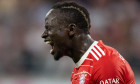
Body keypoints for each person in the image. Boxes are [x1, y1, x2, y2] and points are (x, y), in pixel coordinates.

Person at [41, 1, 135, 84]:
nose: (44, 35)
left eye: (51, 29)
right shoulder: (79, 69)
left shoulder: (104, 61)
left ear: (71, 30)